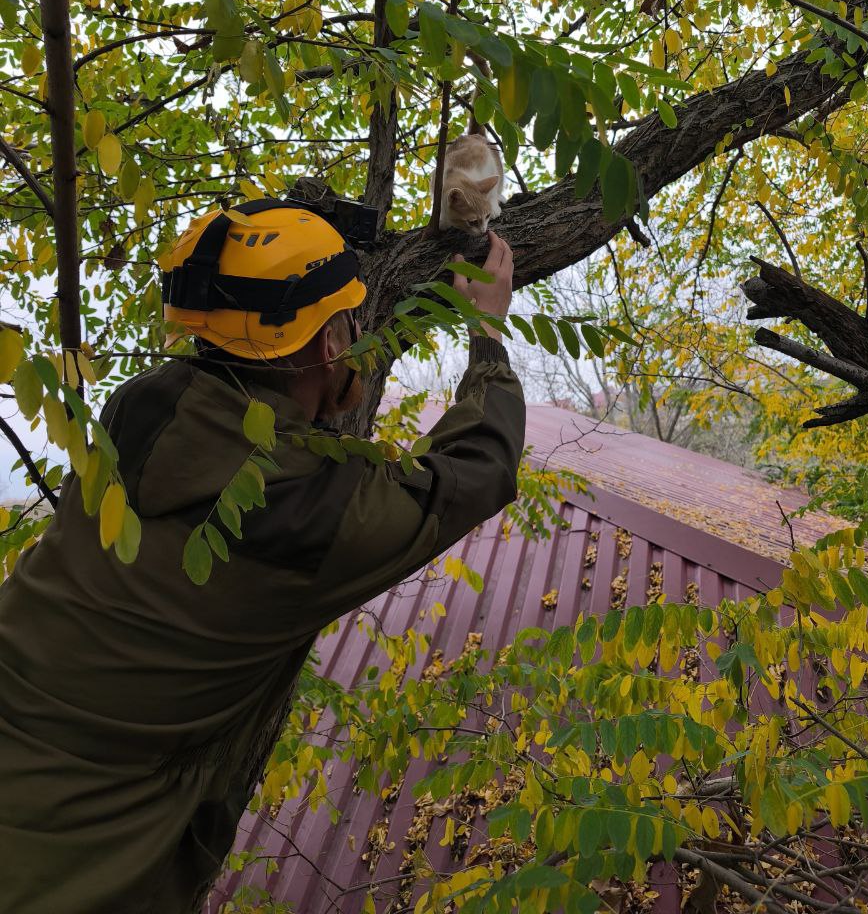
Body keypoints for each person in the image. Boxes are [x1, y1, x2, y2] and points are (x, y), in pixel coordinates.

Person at [0, 201, 524, 914]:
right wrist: (486, 335)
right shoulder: (309, 511)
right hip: (66, 860)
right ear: (328, 342)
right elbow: (478, 470)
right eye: (348, 320)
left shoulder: (136, 409)